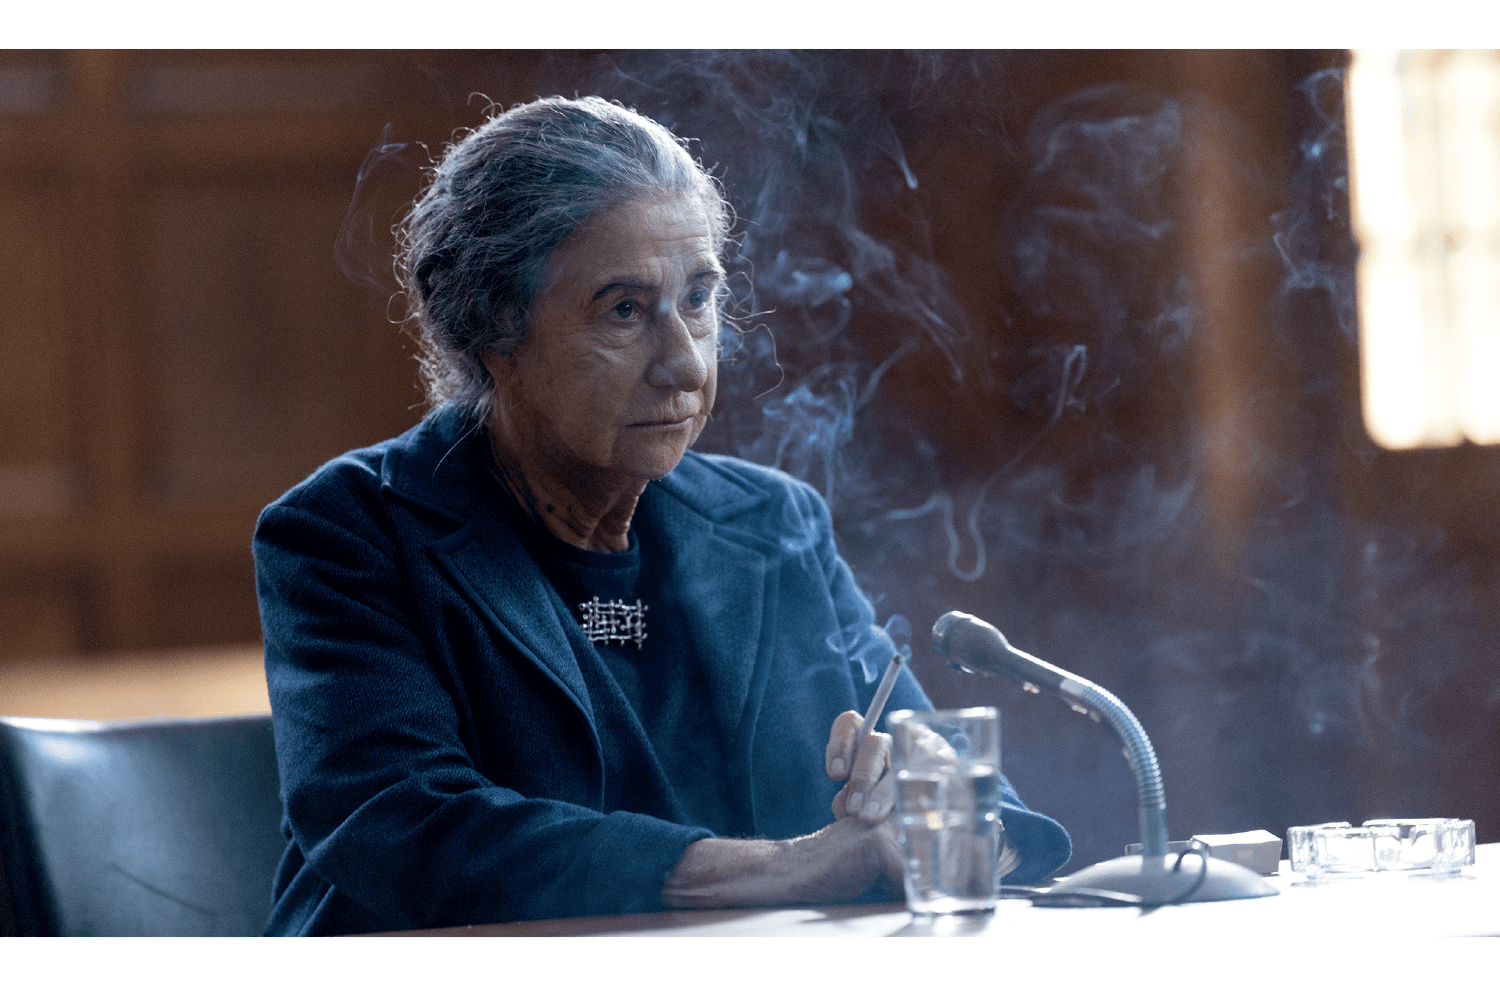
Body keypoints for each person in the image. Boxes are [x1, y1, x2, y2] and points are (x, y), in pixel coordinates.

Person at [253, 96, 1071, 936]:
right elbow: (407, 827)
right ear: (488, 322)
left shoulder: (772, 523)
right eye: (625, 310)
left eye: (700, 298)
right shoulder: (349, 533)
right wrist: (795, 864)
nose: (685, 363)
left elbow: (976, 804)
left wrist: (926, 821)